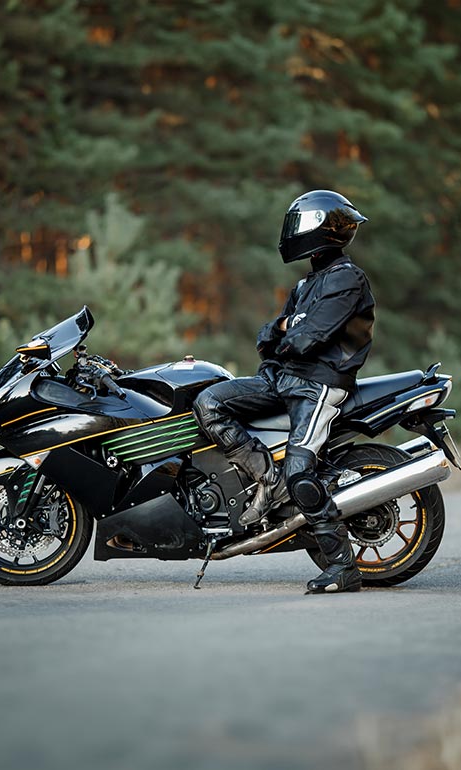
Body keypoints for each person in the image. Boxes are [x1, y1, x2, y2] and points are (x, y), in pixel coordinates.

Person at [192, 189, 375, 594]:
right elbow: (267, 337)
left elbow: (306, 339)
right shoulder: (308, 283)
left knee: (301, 473)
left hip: (318, 386)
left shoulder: (347, 278)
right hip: (280, 379)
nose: (291, 232)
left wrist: (286, 332)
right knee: (208, 401)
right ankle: (269, 481)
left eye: (298, 224)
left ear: (318, 229)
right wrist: (282, 329)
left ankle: (344, 566)